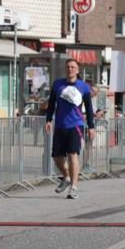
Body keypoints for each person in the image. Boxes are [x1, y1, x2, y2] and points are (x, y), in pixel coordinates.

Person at [43, 58, 95, 199]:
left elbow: (89, 108)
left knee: (72, 155)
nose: (70, 69)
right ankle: (66, 177)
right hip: (60, 125)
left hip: (75, 125)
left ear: (77, 70)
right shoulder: (57, 85)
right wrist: (48, 120)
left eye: (73, 67)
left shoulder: (83, 87)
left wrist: (91, 127)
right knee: (56, 157)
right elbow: (51, 104)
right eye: (68, 67)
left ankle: (74, 187)